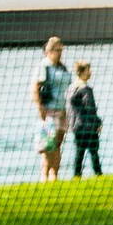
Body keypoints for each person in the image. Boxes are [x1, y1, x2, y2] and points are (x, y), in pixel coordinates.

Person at [32, 36, 74, 181]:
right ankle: (45, 176)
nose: (60, 52)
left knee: (57, 145)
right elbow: (35, 88)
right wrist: (40, 108)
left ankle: (54, 176)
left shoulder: (61, 67)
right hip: (50, 110)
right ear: (49, 51)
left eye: (61, 50)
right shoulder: (44, 66)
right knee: (48, 146)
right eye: (57, 50)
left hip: (63, 111)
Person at [68, 59, 104, 177]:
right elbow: (90, 108)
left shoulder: (72, 88)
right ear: (82, 72)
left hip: (76, 126)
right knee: (94, 152)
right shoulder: (85, 89)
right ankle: (98, 174)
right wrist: (98, 123)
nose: (90, 72)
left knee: (79, 153)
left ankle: (77, 175)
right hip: (88, 125)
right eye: (88, 70)